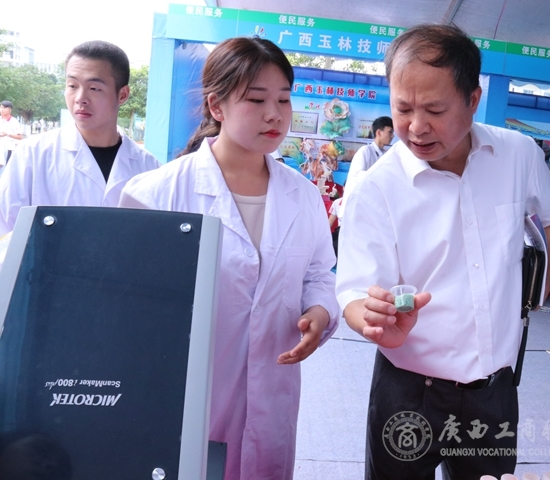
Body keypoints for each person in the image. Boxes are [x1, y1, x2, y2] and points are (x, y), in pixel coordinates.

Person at [336, 24, 550, 479]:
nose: (416, 127)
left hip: (492, 391)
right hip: (409, 390)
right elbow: (354, 294)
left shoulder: (518, 155)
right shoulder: (376, 188)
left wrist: (548, 275)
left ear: (473, 100)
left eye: (435, 110)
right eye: (403, 108)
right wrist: (373, 319)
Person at [118, 37, 339, 480]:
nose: (274, 114)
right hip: (183, 394)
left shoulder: (302, 196)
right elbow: (129, 306)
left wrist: (319, 311)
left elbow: (318, 273)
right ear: (216, 106)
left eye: (283, 99)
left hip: (272, 392)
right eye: (256, 100)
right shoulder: (157, 194)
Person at [0, 41, 159, 235]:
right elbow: (5, 231)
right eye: (72, 86)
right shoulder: (32, 155)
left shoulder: (149, 168)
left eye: (94, 88)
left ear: (122, 95)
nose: (80, 98)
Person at [342, 115, 393, 196]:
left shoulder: (386, 155)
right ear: (379, 133)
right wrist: (379, 178)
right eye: (390, 132)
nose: (392, 136)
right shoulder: (365, 151)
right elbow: (357, 175)